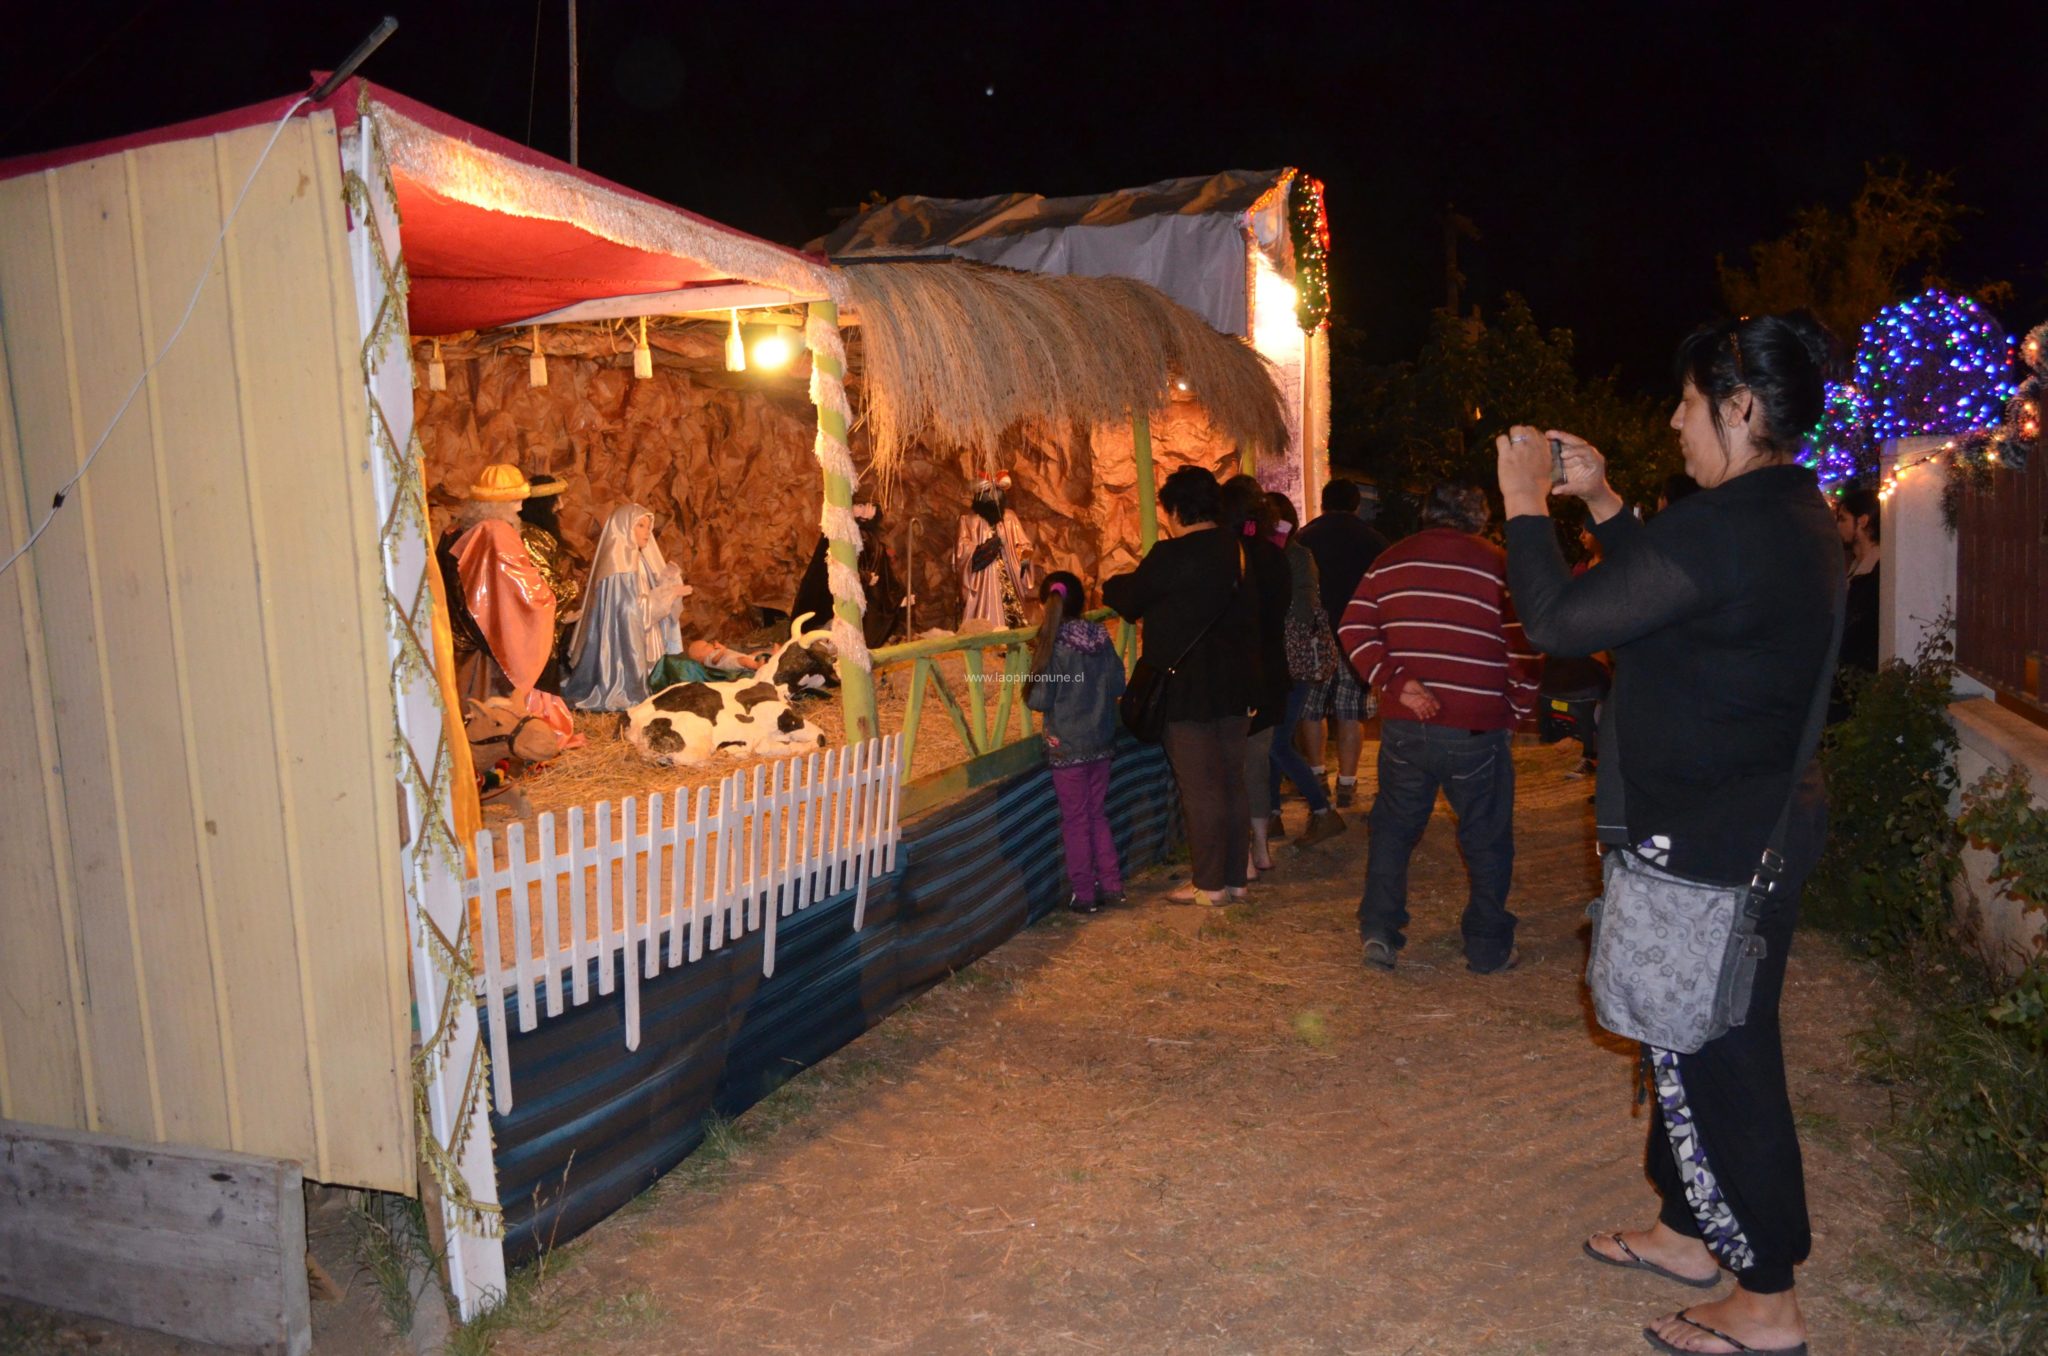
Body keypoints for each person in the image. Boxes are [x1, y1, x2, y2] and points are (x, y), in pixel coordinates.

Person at [1498, 311, 1842, 1356]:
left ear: (1739, 407)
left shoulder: (1729, 525)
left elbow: (1559, 622)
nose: (1674, 422)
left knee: (1721, 1058)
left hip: (1712, 843)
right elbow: (1661, 596)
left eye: (1688, 404)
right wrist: (1603, 503)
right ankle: (1688, 1233)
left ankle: (1767, 1298)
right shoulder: (1781, 512)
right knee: (1684, 1041)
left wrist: (1523, 503)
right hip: (1743, 825)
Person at [1339, 483, 1538, 975]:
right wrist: (1515, 710)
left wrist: (1395, 681)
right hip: (1476, 728)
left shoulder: (1389, 562)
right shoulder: (1499, 565)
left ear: (1427, 514)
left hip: (1406, 728)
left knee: (1393, 830)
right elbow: (1524, 649)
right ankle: (1487, 947)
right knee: (1486, 837)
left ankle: (1379, 933)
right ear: (1480, 517)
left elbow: (1352, 628)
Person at [1104, 466, 1259, 906]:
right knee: (1231, 783)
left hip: (1187, 689)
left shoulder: (1170, 555)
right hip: (1235, 687)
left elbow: (1129, 597)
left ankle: (1208, 885)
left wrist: (1109, 583)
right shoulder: (1237, 550)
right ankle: (1235, 879)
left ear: (1175, 511)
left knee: (1200, 789)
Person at [561, 504, 764, 712]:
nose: (647, 532)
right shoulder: (619, 564)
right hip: (626, 649)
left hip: (649, 636)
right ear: (623, 528)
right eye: (640, 526)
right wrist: (669, 594)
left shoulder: (638, 559)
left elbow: (644, 600)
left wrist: (669, 586)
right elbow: (629, 612)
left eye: (648, 527)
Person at [442, 463, 583, 745]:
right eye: (515, 500)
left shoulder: (456, 529)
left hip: (460, 633)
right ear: (498, 503)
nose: (520, 506)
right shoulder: (498, 532)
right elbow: (522, 588)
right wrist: (551, 599)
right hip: (488, 634)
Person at [1024, 571, 1127, 913]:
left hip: (1067, 746)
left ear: (1045, 605)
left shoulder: (1052, 644)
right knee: (1096, 814)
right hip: (1101, 741)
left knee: (1076, 820)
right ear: (1083, 602)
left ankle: (1083, 894)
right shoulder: (1100, 636)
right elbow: (1117, 683)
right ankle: (1112, 884)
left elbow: (1039, 699)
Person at [1221, 475, 1299, 879]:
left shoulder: (1226, 555)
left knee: (1231, 767)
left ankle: (1243, 859)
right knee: (1258, 763)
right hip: (1271, 671)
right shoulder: (1274, 555)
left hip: (1235, 673)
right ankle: (1262, 848)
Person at [1296, 478, 1388, 807]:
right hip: (1357, 637)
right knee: (1351, 712)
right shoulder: (1374, 540)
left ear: (1323, 504)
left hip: (1314, 636)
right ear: (1356, 505)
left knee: (1312, 710)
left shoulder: (1304, 537)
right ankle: (1347, 783)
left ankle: (1317, 775)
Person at [1264, 491, 1347, 847]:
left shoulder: (1292, 557)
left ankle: (1323, 811)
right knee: (1272, 739)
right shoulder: (1285, 555)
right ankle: (1272, 815)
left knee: (1276, 742)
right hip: (1284, 661)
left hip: (1291, 661)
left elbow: (1298, 609)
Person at [793, 502, 906, 648]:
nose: (864, 512)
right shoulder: (839, 534)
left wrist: (895, 595)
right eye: (860, 506)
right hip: (831, 600)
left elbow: (880, 569)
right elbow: (834, 566)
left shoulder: (870, 537)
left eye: (869, 508)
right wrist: (863, 577)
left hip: (860, 599)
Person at [517, 473, 586, 689]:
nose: (562, 505)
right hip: (536, 625)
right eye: (558, 499)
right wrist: (570, 590)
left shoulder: (539, 534)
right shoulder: (532, 537)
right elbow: (540, 583)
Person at [955, 477, 1035, 629]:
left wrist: (1023, 556)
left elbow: (1023, 545)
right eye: (989, 494)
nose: (993, 497)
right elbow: (962, 551)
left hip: (1009, 574)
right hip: (983, 580)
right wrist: (982, 551)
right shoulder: (967, 520)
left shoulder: (1010, 518)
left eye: (997, 493)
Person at [1830, 486, 1881, 723]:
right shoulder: (1856, 568)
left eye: (1842, 519)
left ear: (1862, 521)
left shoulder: (1877, 573)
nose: (1837, 525)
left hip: (1857, 685)